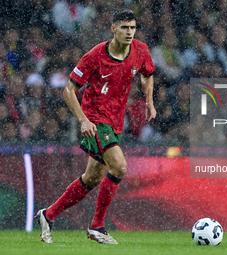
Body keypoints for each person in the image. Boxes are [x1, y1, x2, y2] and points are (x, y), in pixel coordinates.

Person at [35, 8, 156, 244]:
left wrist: (149, 102)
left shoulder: (141, 50)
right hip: (95, 118)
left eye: (132, 27)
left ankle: (48, 215)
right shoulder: (95, 56)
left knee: (91, 177)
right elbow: (69, 90)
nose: (129, 32)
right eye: (124, 27)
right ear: (113, 29)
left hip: (116, 122)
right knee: (119, 167)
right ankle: (97, 226)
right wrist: (83, 120)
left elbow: (148, 73)